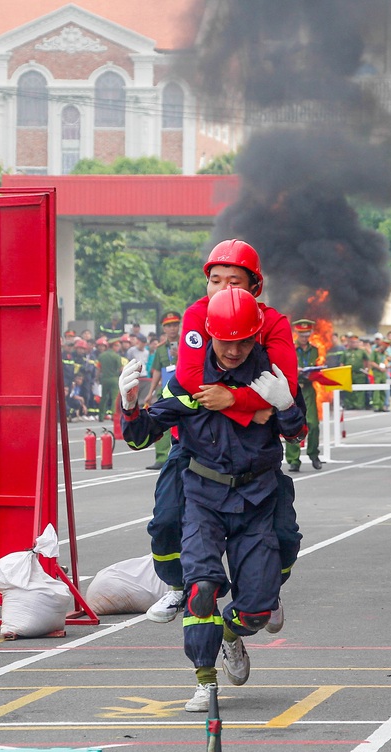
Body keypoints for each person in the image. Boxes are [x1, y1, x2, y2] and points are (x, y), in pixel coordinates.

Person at [120, 287, 306, 713]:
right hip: (203, 497)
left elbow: (297, 435)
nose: (235, 349)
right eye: (225, 340)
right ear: (209, 334)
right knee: (201, 588)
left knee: (256, 613)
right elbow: (141, 437)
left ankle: (231, 634)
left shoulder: (268, 378)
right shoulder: (188, 380)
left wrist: (285, 406)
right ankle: (205, 680)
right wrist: (130, 406)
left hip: (258, 498)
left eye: (244, 340)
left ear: (256, 336)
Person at [143, 239, 300, 627]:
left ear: (255, 287)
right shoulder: (197, 314)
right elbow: (192, 379)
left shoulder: (274, 323)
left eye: (235, 281)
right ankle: (180, 586)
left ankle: (267, 594)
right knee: (165, 522)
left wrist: (232, 400)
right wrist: (252, 406)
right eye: (216, 280)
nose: (224, 290)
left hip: (253, 457)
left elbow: (284, 389)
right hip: (198, 449)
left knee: (283, 536)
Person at [141, 312, 182, 470]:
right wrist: (150, 392)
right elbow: (157, 371)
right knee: (161, 424)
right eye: (168, 326)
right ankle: (161, 458)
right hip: (166, 392)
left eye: (175, 325)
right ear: (163, 328)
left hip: (184, 391)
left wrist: (180, 356)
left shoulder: (187, 342)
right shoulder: (159, 349)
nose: (172, 329)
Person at [284, 319, 322, 472]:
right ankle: (294, 460)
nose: (304, 337)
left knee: (313, 424)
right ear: (297, 333)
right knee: (292, 424)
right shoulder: (289, 348)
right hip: (293, 389)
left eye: (307, 334)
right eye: (301, 334)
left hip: (308, 388)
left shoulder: (315, 350)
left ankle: (314, 454)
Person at [97, 337, 124, 422]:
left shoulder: (101, 356)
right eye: (117, 345)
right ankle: (114, 415)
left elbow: (98, 369)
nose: (118, 347)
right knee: (114, 398)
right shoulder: (117, 356)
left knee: (103, 397)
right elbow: (121, 369)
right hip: (114, 379)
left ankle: (101, 416)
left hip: (104, 379)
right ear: (113, 346)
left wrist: (97, 378)